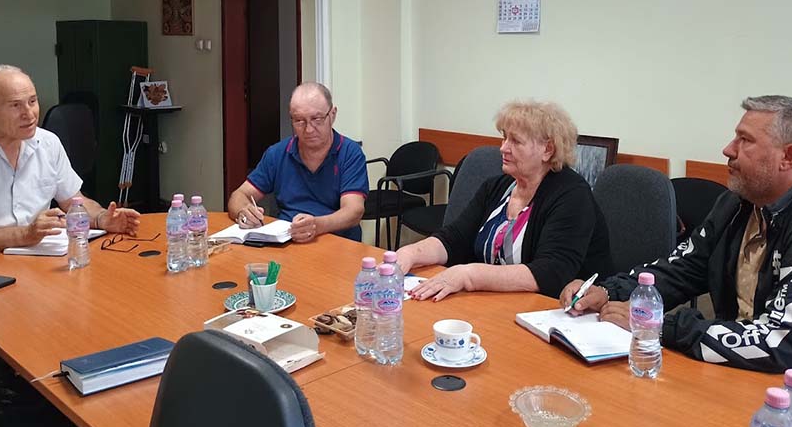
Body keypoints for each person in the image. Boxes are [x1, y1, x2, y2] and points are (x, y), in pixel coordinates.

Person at [560, 95, 792, 376]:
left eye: (745, 140)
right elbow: (682, 269)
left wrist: (659, 326)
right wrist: (608, 292)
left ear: (788, 157)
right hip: (731, 368)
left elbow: (780, 343)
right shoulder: (736, 203)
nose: (728, 149)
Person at [397, 100, 614, 301]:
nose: (503, 148)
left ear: (547, 150)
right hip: (496, 302)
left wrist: (468, 275)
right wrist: (410, 253)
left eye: (516, 141)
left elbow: (550, 273)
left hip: (551, 311)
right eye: (504, 137)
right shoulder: (497, 187)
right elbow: (454, 238)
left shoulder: (572, 195)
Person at [0, 65, 140, 256]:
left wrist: (102, 218)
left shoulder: (48, 143)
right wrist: (24, 235)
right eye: (15, 105)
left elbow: (74, 202)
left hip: (40, 261)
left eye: (32, 101)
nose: (29, 114)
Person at [227, 82, 368, 242]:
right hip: (287, 240)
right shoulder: (277, 153)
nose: (309, 129)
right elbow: (239, 195)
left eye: (317, 119)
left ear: (333, 114)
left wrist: (317, 226)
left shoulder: (350, 153)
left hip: (337, 241)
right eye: (299, 121)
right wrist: (243, 212)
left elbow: (353, 211)